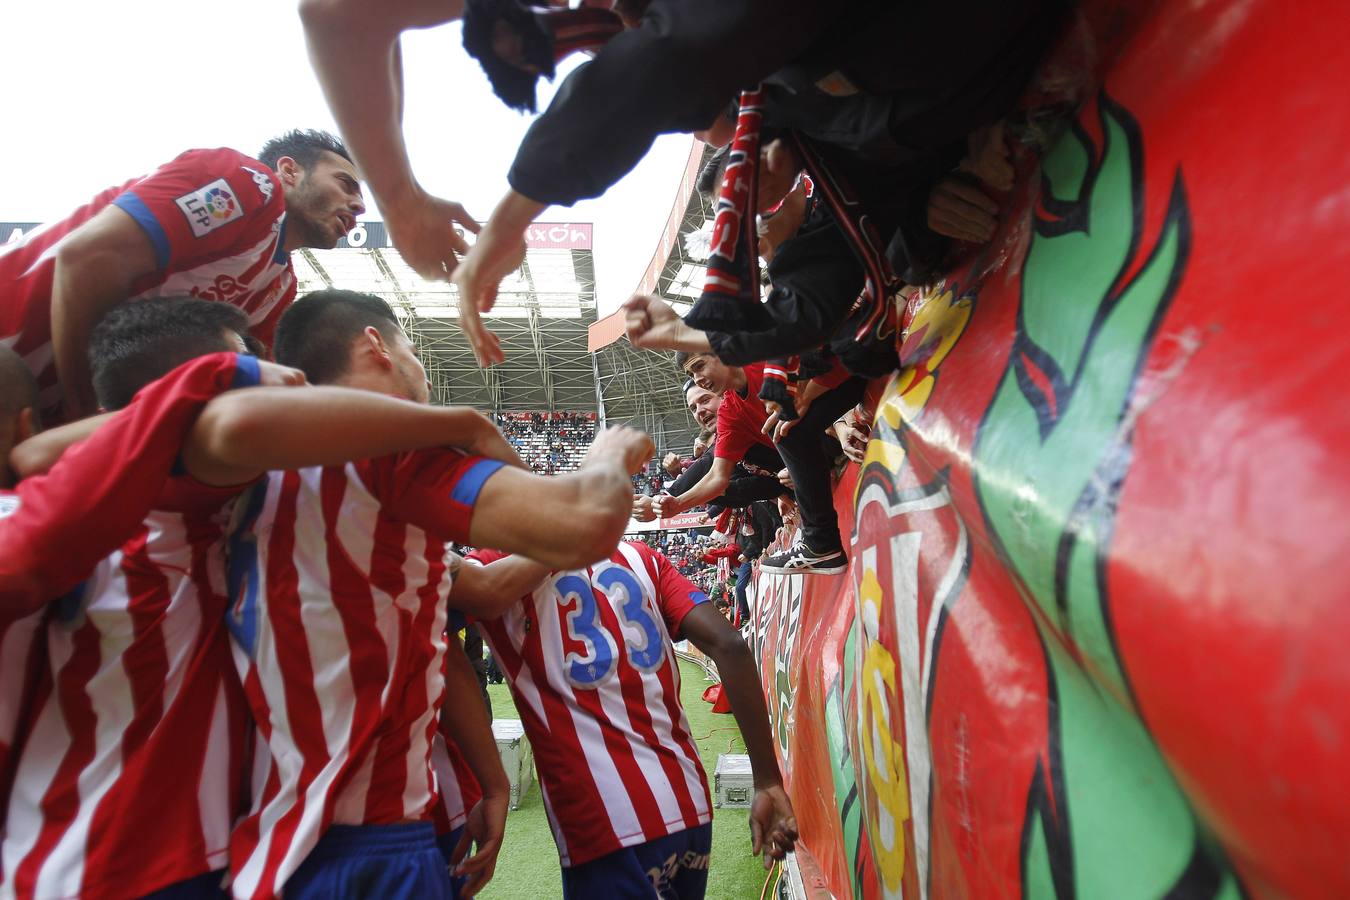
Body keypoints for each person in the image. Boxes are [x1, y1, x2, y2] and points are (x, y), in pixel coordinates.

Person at [1, 296, 553, 899]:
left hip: (237, 855)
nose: (271, 398)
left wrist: (492, 781)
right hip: (121, 870)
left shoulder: (269, 496)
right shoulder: (77, 535)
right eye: (247, 386)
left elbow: (439, 627)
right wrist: (460, 426)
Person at [224, 288, 653, 899]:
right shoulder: (392, 453)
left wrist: (493, 781)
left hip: (264, 841)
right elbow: (583, 526)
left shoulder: (252, 471)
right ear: (377, 346)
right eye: (412, 349)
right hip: (373, 844)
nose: (419, 366)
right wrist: (609, 457)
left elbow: (437, 629)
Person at [456, 540, 798, 898]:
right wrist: (768, 781)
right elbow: (730, 644)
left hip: (605, 821)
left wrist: (491, 787)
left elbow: (426, 606)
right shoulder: (641, 555)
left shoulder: (492, 567)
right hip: (688, 803)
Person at [0, 129, 364, 420]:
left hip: (33, 411)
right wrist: (79, 411)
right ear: (289, 171)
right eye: (346, 184)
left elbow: (243, 382)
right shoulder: (251, 184)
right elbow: (85, 258)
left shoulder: (280, 285)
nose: (359, 206)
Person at [659, 351, 865, 575]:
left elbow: (836, 355)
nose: (698, 378)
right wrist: (677, 504)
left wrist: (841, 422)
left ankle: (821, 543)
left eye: (699, 366)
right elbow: (717, 476)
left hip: (857, 377)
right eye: (691, 373)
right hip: (811, 452)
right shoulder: (731, 409)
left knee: (783, 426)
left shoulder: (766, 358)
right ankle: (820, 543)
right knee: (781, 431)